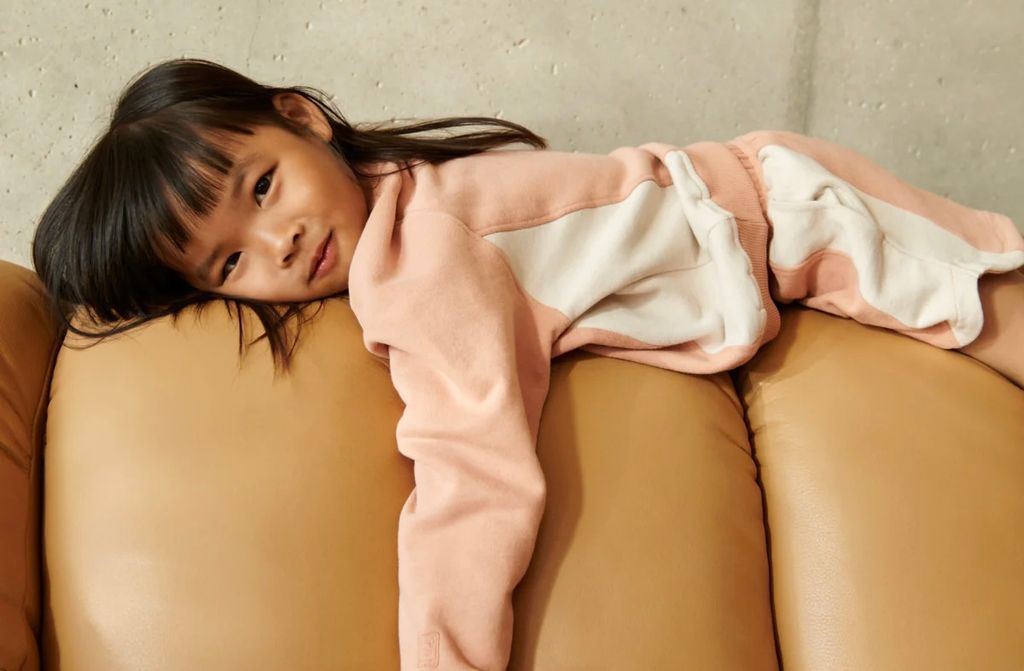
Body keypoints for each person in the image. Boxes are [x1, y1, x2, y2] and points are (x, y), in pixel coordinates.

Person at [32, 57, 1024, 670]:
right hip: (771, 234)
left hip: (792, 209)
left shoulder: (422, 256)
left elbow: (473, 474)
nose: (277, 242)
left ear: (303, 116)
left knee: (987, 304)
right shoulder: (401, 214)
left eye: (261, 187)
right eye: (228, 264)